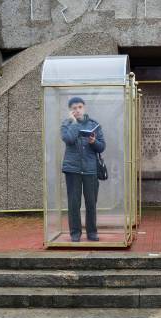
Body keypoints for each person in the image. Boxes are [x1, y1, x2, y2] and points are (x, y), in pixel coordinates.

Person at [60, 97, 106, 242]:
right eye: (74, 108)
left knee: (91, 203)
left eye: (79, 107)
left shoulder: (94, 124)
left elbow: (102, 146)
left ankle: (92, 233)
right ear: (70, 110)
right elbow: (68, 139)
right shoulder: (66, 124)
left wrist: (94, 142)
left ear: (84, 108)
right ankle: (75, 233)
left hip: (90, 169)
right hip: (72, 170)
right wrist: (74, 123)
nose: (77, 110)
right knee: (74, 204)